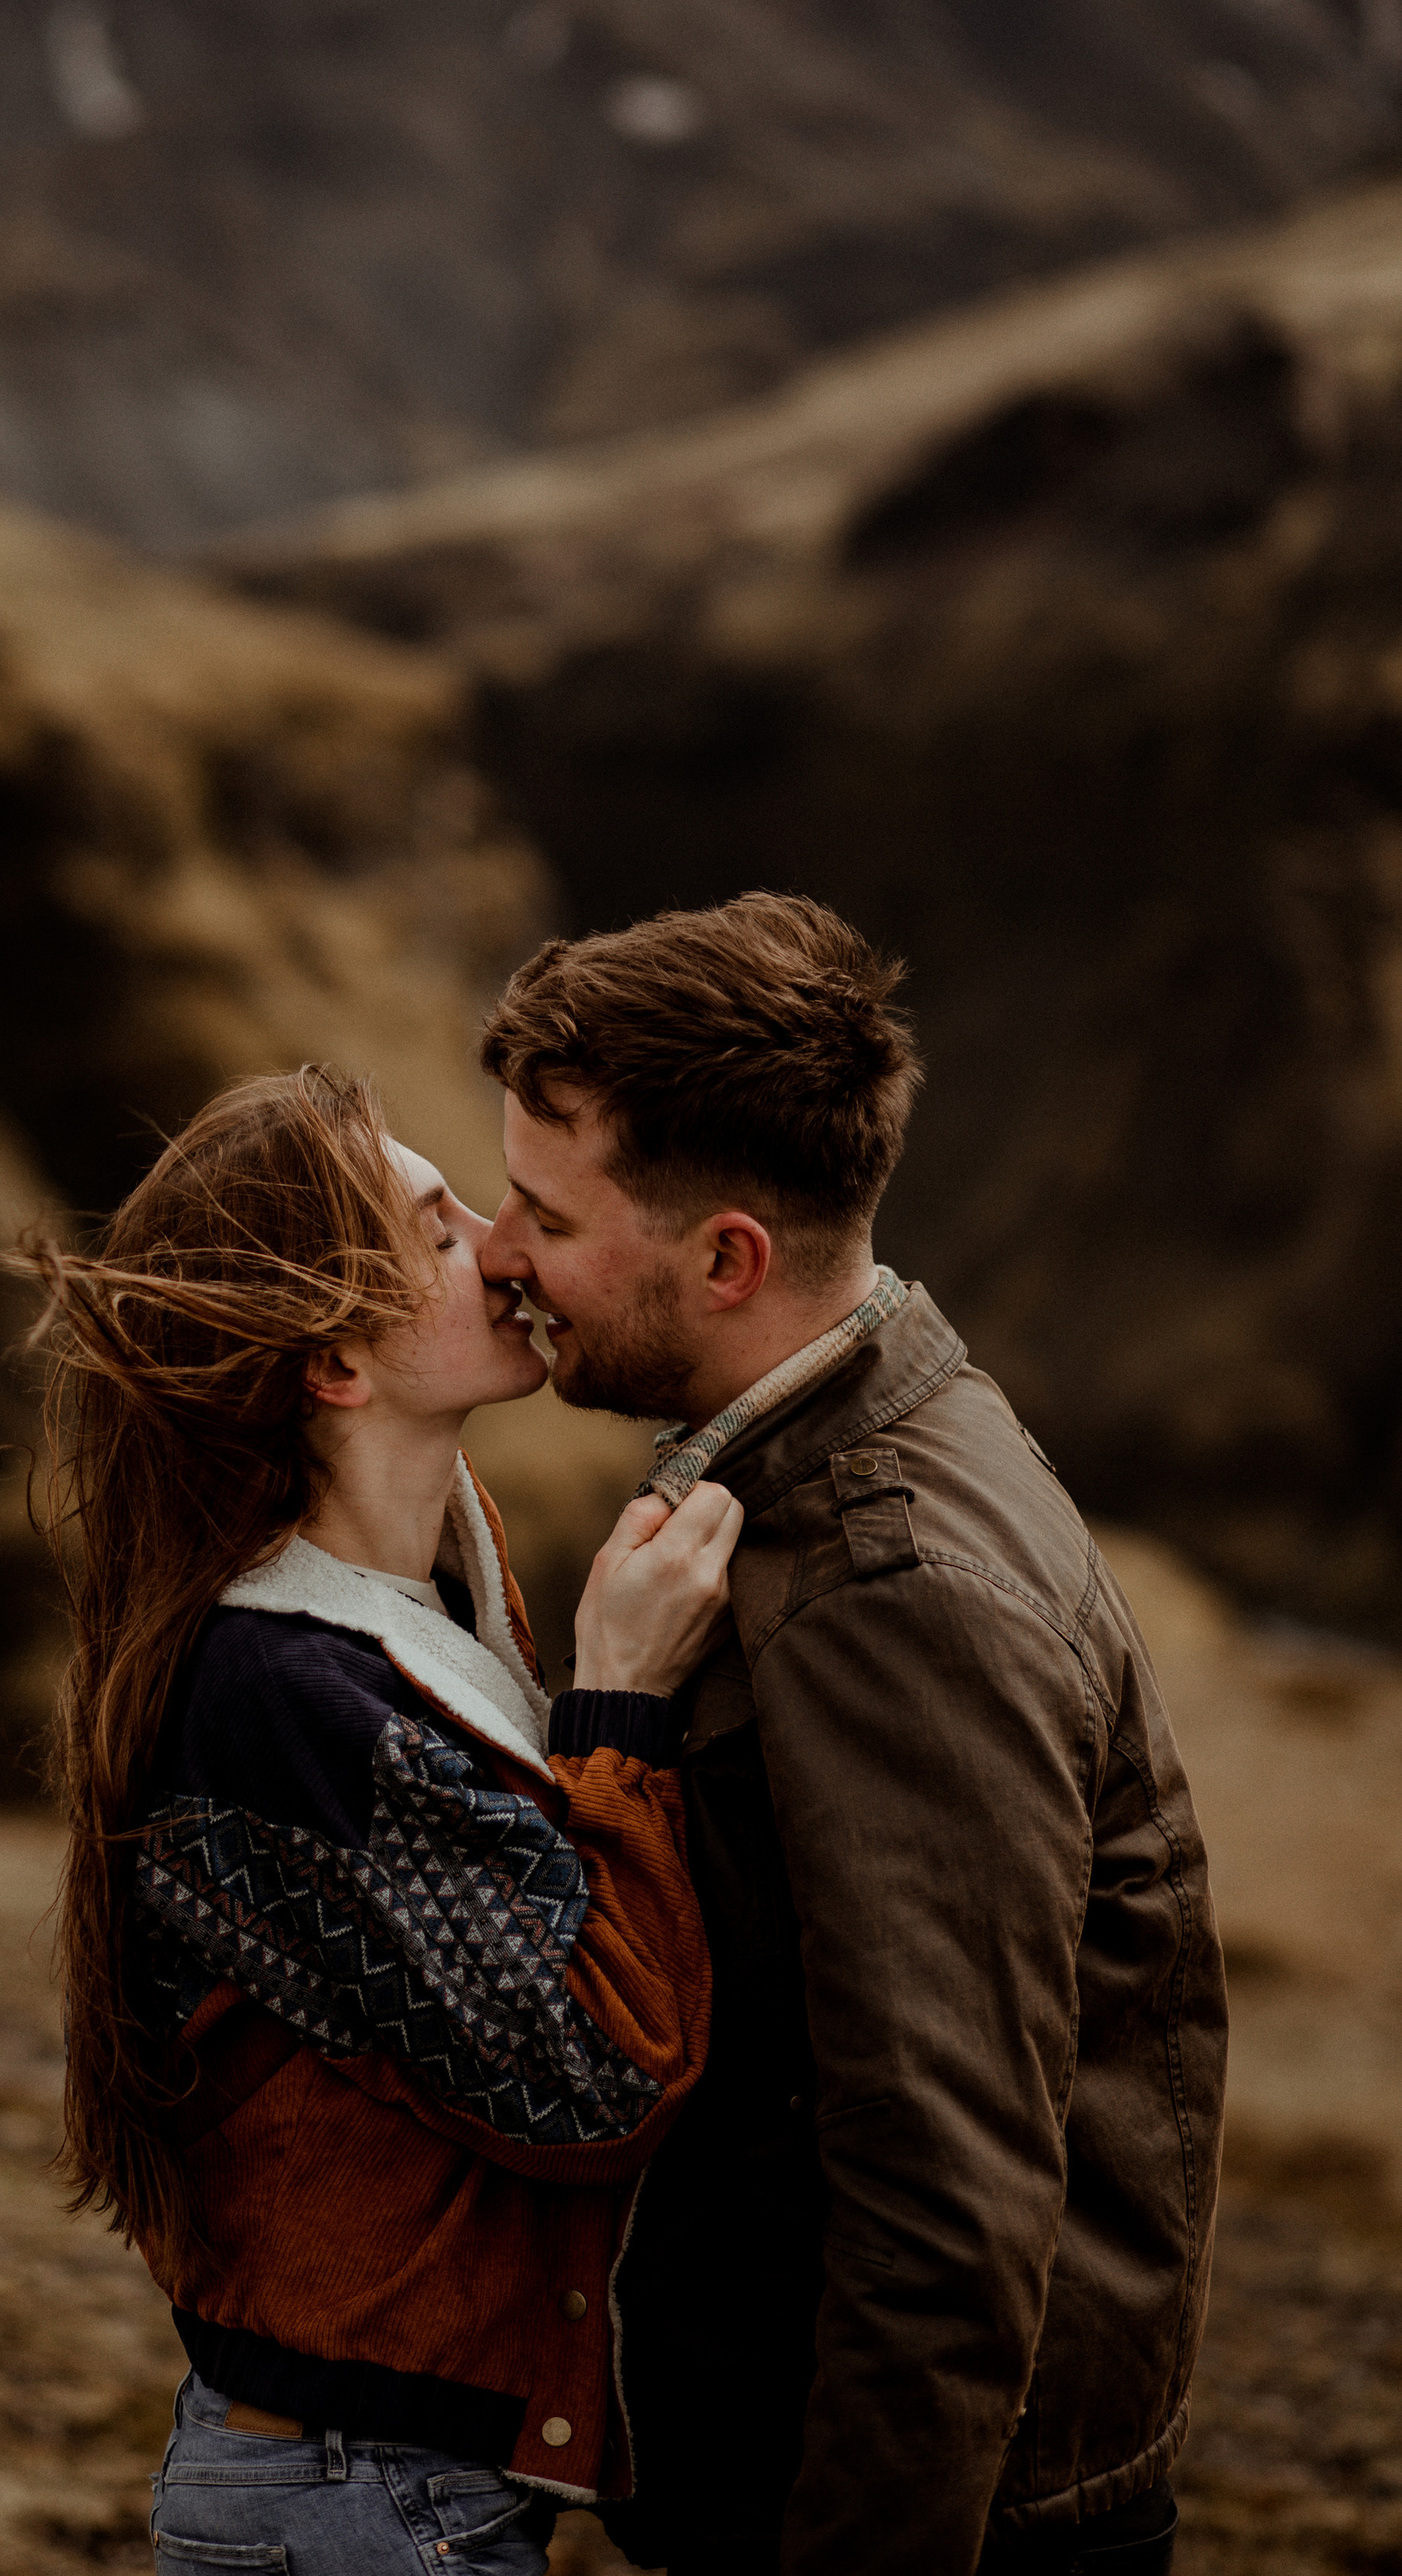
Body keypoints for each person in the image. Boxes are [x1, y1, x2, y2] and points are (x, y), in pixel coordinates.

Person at [477, 893, 1229, 2576]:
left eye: (540, 1210)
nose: (493, 1250)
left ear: (726, 1258)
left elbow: (944, 2197)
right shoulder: (813, 1443)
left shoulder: (894, 1587)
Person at [19, 1064, 737, 2574]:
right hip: (357, 2505)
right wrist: (618, 1712)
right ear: (336, 1365)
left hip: (385, 2489)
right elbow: (596, 2073)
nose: (502, 1243)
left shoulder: (424, 1600)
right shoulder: (283, 1689)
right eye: (436, 1227)